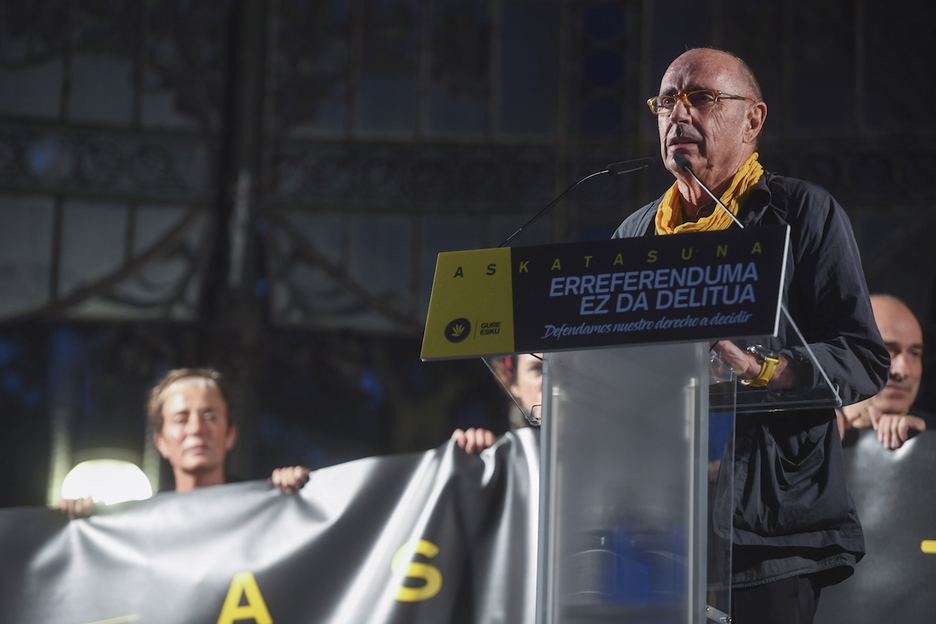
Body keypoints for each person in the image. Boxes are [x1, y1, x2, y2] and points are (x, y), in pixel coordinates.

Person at [612, 48, 889, 623]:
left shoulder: (801, 214)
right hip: (655, 526)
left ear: (752, 120)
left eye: (701, 99)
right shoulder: (635, 235)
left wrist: (765, 369)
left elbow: (862, 357)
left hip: (768, 530)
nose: (678, 115)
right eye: (666, 102)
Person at [58, 368, 311, 519]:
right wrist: (79, 523)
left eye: (210, 417)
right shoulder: (144, 521)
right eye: (181, 419)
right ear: (161, 442)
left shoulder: (263, 507)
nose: (196, 429)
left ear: (231, 435)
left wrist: (303, 493)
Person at [838, 294, 931, 449]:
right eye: (887, 351)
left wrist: (926, 445)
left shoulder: (931, 438)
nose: (903, 370)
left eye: (914, 353)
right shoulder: (807, 434)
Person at [451, 353, 542, 454]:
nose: (551, 382)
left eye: (557, 367)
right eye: (537, 369)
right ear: (514, 382)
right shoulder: (500, 449)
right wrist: (467, 449)